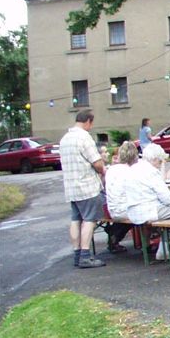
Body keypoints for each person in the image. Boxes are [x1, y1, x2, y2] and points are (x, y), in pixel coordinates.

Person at [59, 110, 106, 268]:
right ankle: (86, 255)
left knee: (75, 220)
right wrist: (103, 171)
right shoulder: (84, 137)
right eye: (91, 124)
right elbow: (97, 162)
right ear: (88, 122)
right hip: (87, 186)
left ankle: (77, 253)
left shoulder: (65, 139)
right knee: (89, 220)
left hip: (71, 187)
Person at [104, 140, 138, 253]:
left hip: (112, 209)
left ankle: (114, 234)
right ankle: (150, 243)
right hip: (127, 211)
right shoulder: (132, 171)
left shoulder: (111, 170)